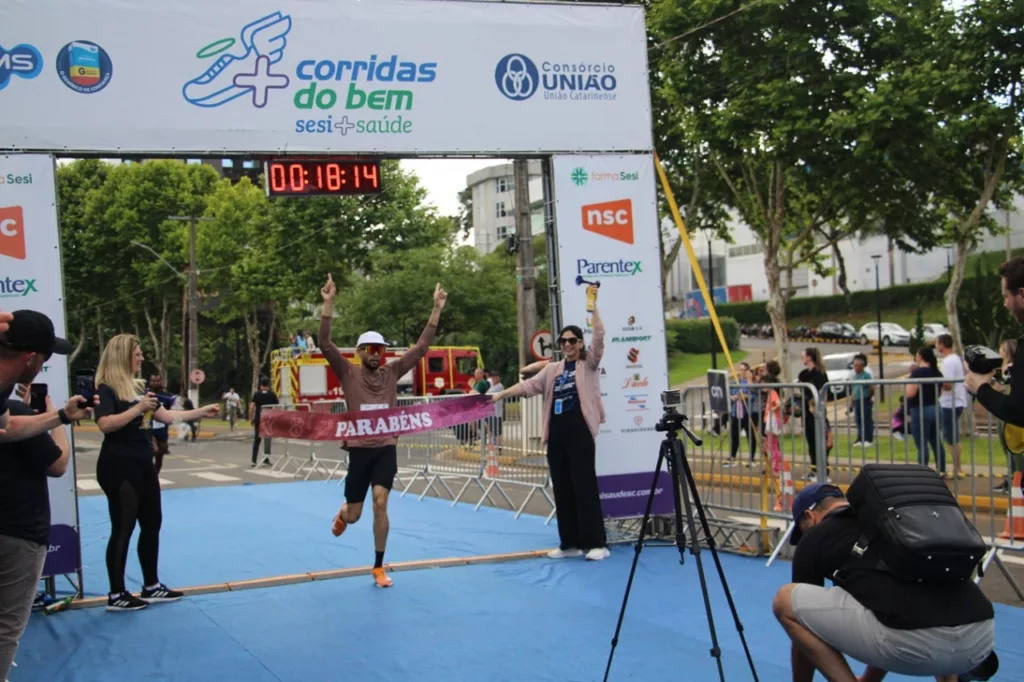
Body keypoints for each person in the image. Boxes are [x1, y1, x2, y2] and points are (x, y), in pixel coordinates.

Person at [773, 483, 995, 682]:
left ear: (809, 517)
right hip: (981, 641)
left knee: (785, 601)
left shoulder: (816, 537)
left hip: (915, 647)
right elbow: (881, 602)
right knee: (926, 592)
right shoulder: (894, 521)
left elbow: (802, 624)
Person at [319, 273, 447, 588]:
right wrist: (329, 303)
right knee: (355, 515)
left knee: (381, 502)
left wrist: (436, 310)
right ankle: (344, 511)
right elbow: (324, 343)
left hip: (385, 449)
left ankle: (378, 566)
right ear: (360, 352)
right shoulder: (347, 372)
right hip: (359, 452)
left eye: (380, 349)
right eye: (370, 349)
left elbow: (420, 348)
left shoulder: (392, 372)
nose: (376, 354)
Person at [94, 334, 219, 611]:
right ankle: (116, 593)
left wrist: (201, 412)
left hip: (143, 463)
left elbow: (166, 416)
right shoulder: (106, 388)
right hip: (118, 465)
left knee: (152, 522)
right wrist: (137, 409)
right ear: (122, 356)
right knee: (123, 527)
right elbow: (105, 424)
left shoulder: (139, 388)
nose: (140, 358)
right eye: (137, 353)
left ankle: (151, 585)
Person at [0, 311, 93, 681]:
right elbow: (56, 465)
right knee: (6, 628)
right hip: (18, 531)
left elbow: (6, 427)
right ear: (32, 358)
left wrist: (60, 416)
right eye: (46, 358)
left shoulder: (4, 396)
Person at [489, 296, 609, 561]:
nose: (567, 345)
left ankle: (597, 543)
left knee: (584, 485)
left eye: (572, 341)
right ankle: (570, 543)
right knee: (563, 488)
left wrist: (593, 306)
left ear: (579, 344)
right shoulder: (552, 369)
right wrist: (499, 396)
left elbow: (599, 336)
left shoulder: (588, 365)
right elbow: (527, 387)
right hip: (557, 433)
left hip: (580, 430)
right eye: (563, 341)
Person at [906, 347, 946, 472]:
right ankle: (941, 470)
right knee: (936, 441)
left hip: (920, 410)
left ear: (921, 357)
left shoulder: (917, 373)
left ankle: (923, 472)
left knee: (922, 444)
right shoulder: (937, 372)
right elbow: (941, 390)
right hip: (935, 408)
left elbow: (910, 393)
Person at [936, 334, 967, 477]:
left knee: (950, 437)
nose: (936, 346)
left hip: (950, 403)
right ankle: (957, 467)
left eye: (937, 343)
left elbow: (947, 384)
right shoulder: (955, 358)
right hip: (957, 401)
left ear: (942, 344)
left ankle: (957, 468)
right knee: (951, 436)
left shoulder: (948, 362)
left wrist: (936, 385)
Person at [797, 348, 829, 481]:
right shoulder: (803, 374)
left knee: (820, 441)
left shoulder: (820, 373)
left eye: (803, 356)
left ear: (809, 357)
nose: (801, 358)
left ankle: (824, 471)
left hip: (817, 411)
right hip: (806, 411)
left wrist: (817, 407)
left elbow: (824, 392)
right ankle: (814, 469)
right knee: (810, 441)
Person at [146, 374, 177, 474]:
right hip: (149, 429)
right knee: (153, 450)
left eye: (158, 381)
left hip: (162, 430)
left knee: (160, 457)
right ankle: (147, 476)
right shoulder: (145, 394)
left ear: (161, 381)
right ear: (150, 382)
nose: (156, 383)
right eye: (153, 381)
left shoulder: (168, 397)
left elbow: (171, 411)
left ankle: (154, 478)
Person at [249, 376, 277, 467]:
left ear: (260, 385)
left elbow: (252, 406)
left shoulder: (257, 394)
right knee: (267, 439)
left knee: (257, 440)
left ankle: (253, 460)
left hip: (259, 418)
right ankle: (266, 459)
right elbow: (277, 407)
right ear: (268, 385)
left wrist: (251, 418)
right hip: (268, 419)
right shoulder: (272, 394)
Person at [847, 354, 875, 446]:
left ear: (861, 366)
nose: (855, 367)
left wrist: (869, 397)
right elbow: (853, 390)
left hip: (865, 399)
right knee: (858, 420)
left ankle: (868, 439)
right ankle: (860, 438)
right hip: (857, 400)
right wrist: (851, 403)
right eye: (854, 365)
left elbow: (871, 388)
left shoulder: (866, 375)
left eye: (856, 365)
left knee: (866, 419)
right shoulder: (854, 376)